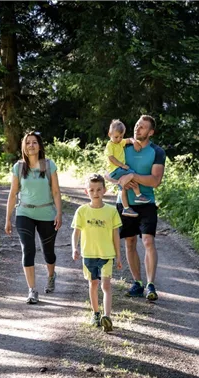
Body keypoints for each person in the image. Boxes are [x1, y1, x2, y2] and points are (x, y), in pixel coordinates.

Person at [5, 131, 62, 304]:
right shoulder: (19, 167)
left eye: (34, 142)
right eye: (28, 143)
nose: (31, 145)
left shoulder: (49, 165)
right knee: (28, 249)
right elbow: (13, 193)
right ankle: (32, 290)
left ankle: (51, 275)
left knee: (48, 252)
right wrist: (7, 218)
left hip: (46, 213)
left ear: (39, 146)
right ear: (24, 146)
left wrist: (59, 212)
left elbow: (56, 191)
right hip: (24, 213)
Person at [116, 115, 166, 301]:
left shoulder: (157, 151)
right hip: (124, 202)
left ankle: (150, 284)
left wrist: (131, 176)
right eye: (137, 125)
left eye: (143, 127)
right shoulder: (123, 147)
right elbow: (110, 171)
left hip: (146, 203)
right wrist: (121, 179)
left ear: (151, 132)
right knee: (129, 243)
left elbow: (155, 181)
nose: (138, 129)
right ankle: (137, 282)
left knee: (148, 241)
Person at [71, 174, 122, 332]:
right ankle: (96, 313)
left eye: (99, 189)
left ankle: (107, 317)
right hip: (89, 254)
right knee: (93, 284)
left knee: (106, 285)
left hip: (106, 254)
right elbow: (76, 232)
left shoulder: (111, 211)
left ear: (104, 190)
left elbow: (115, 235)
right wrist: (75, 247)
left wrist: (119, 256)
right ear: (87, 192)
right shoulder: (82, 211)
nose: (96, 193)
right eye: (92, 190)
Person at [104, 119, 151, 218]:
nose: (119, 139)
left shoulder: (120, 142)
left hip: (118, 170)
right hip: (116, 170)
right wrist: (122, 165)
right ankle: (138, 196)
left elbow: (129, 139)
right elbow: (111, 158)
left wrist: (134, 142)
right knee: (133, 174)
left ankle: (126, 208)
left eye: (121, 136)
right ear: (109, 134)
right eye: (116, 137)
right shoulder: (110, 145)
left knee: (123, 188)